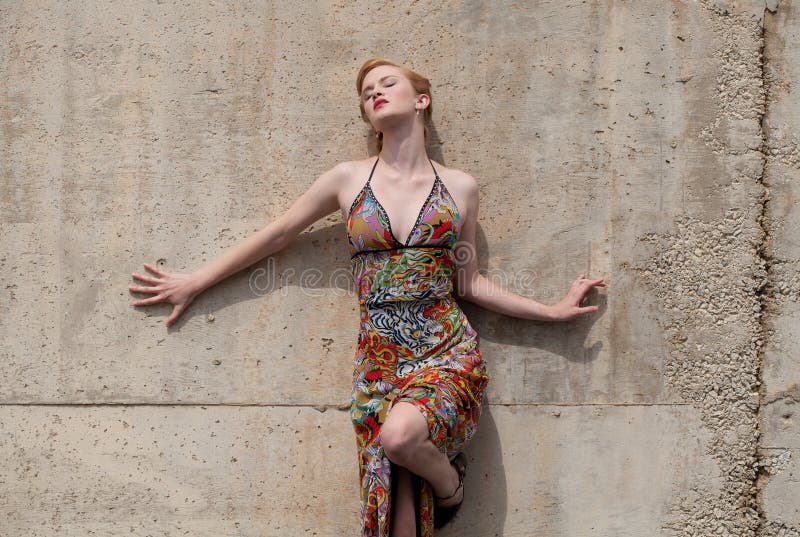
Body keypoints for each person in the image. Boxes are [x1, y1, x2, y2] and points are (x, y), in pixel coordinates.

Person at [129, 58, 607, 537]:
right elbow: (278, 235)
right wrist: (195, 281)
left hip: (445, 352)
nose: (375, 92)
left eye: (387, 83)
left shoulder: (460, 188)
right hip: (379, 358)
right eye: (366, 92)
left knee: (399, 439)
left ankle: (451, 488)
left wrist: (551, 310)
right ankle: (437, 488)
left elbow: (469, 282)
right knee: (393, 525)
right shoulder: (348, 179)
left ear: (421, 100)